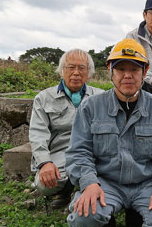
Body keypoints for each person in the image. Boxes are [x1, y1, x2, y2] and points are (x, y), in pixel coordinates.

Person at [65, 38, 152, 227]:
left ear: (144, 72)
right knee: (83, 218)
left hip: (145, 182)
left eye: (134, 69)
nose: (127, 75)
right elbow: (79, 151)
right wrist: (89, 183)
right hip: (106, 183)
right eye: (120, 69)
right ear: (110, 71)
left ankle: (136, 213)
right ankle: (103, 224)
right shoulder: (90, 107)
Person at [29, 49, 103, 209]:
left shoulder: (101, 97)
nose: (76, 73)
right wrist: (45, 163)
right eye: (71, 67)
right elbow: (37, 133)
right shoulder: (43, 98)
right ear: (62, 71)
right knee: (44, 185)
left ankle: (81, 189)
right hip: (60, 153)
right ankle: (69, 186)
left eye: (82, 68)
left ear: (89, 72)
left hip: (92, 153)